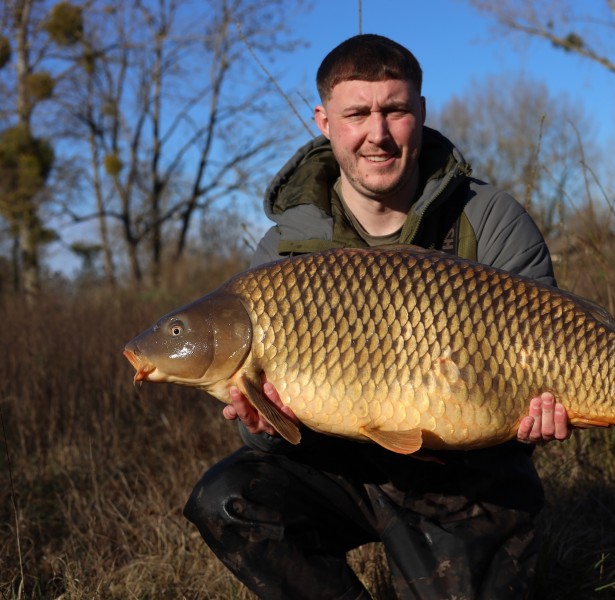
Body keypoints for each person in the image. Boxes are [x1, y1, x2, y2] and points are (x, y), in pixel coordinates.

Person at [184, 34, 570, 600]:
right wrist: (258, 421)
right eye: (357, 113)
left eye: (395, 110)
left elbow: (558, 347)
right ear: (324, 120)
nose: (378, 133)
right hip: (340, 470)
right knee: (229, 498)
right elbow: (267, 439)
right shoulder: (284, 250)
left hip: (460, 474)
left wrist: (539, 420)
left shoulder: (489, 219)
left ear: (421, 112)